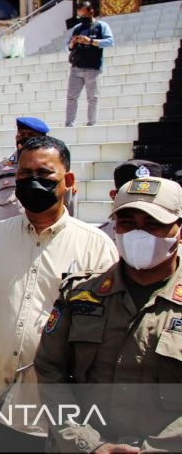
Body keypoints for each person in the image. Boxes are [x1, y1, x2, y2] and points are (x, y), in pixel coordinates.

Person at [0, 136, 118, 452]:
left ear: (67, 181)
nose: (32, 183)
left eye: (44, 175)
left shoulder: (97, 248)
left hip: (57, 416)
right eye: (24, 176)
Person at [36, 176, 182, 453]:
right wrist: (90, 444)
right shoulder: (79, 294)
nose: (139, 233)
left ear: (179, 229)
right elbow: (49, 371)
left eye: (153, 224)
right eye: (127, 222)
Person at [0, 117, 77, 223]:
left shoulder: (57, 170)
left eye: (31, 135)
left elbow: (67, 200)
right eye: (21, 134)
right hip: (4, 229)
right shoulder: (0, 168)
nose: (25, 138)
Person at [65, 1, 114, 127]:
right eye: (79, 14)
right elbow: (67, 47)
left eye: (82, 13)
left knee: (93, 97)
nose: (81, 17)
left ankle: (91, 123)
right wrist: (73, 42)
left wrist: (90, 41)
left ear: (90, 11)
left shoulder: (101, 25)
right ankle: (69, 124)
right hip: (76, 67)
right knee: (71, 97)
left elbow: (110, 42)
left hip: (93, 67)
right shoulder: (77, 28)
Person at [98, 159, 162, 241]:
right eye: (131, 196)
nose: (141, 202)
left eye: (150, 195)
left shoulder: (171, 232)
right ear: (114, 196)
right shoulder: (100, 239)